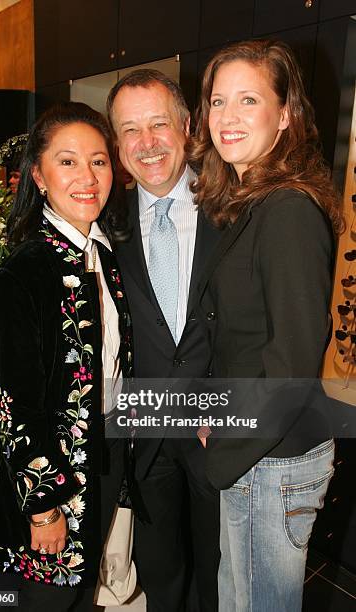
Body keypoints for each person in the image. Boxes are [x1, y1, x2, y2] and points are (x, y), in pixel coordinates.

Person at [189, 39, 343, 611]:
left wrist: (225, 452)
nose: (227, 117)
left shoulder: (286, 211)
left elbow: (292, 362)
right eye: (217, 101)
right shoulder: (252, 199)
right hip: (262, 448)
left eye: (247, 100)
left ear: (284, 115)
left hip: (270, 458)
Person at [0, 102, 132, 612]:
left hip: (105, 456)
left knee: (82, 596)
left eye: (99, 160)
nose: (87, 176)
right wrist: (43, 506)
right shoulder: (23, 273)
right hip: (56, 478)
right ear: (39, 176)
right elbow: (14, 406)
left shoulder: (104, 254)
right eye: (67, 162)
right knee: (49, 602)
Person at [107, 69, 220, 612]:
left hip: (216, 431)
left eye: (158, 124)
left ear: (187, 126)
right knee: (162, 573)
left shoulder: (237, 205)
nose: (146, 142)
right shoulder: (104, 222)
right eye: (130, 130)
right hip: (146, 436)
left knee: (219, 575)